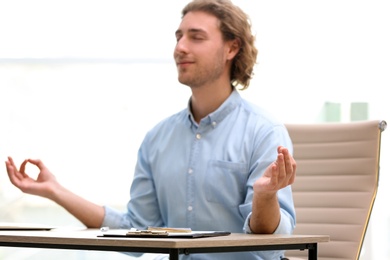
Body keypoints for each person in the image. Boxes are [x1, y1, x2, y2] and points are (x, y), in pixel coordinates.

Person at [5, 0, 297, 259]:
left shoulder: (264, 132)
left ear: (231, 48)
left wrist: (264, 197)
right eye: (179, 36)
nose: (180, 47)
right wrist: (56, 191)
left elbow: (270, 246)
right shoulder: (158, 138)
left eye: (196, 37)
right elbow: (137, 233)